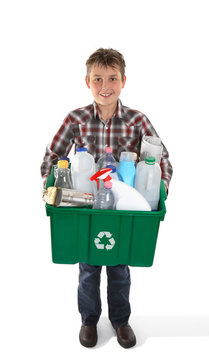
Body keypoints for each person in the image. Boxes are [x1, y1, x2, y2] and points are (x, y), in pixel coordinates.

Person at [41, 48, 173, 348]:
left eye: (112, 78)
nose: (105, 86)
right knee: (88, 267)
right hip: (87, 207)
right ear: (87, 82)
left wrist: (159, 190)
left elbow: (162, 158)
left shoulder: (137, 120)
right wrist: (48, 189)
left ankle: (121, 320)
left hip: (125, 209)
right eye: (97, 79)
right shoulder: (76, 119)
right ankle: (89, 320)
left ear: (124, 81)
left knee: (119, 266)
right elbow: (53, 155)